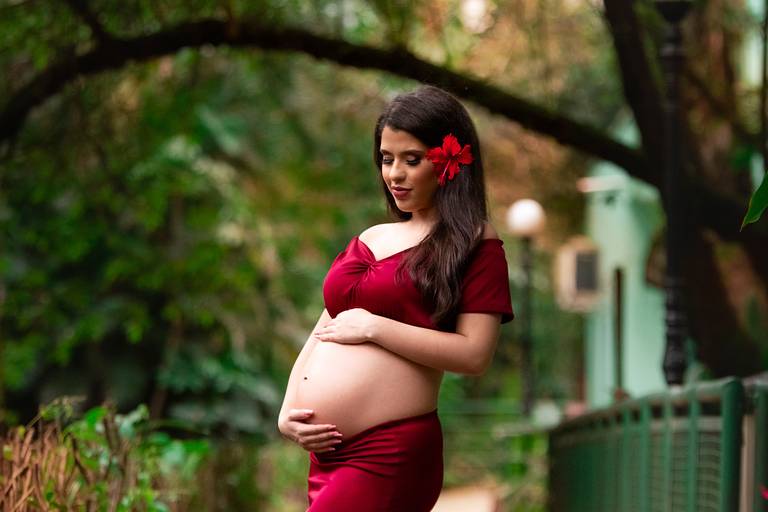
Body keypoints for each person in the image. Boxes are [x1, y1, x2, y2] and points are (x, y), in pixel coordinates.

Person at [277, 84, 515, 512]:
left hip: (390, 452)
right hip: (327, 456)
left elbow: (475, 354)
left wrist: (374, 326)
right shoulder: (372, 237)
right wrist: (288, 408)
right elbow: (324, 328)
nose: (394, 175)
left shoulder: (474, 243)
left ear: (448, 162)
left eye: (412, 159)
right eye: (387, 159)